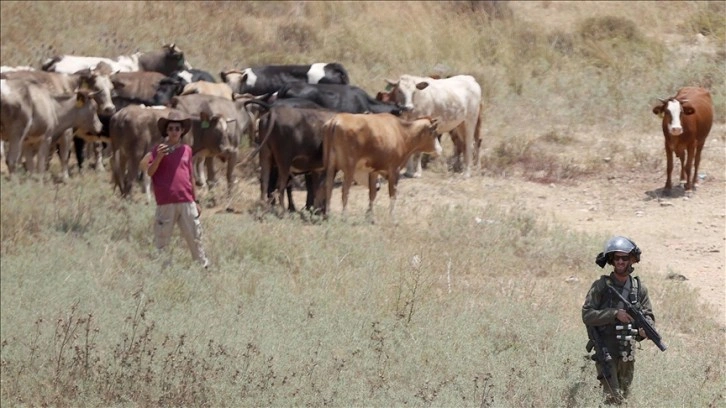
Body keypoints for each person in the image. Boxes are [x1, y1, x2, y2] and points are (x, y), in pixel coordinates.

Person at [582, 236, 655, 405]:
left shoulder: (639, 289)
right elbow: (587, 314)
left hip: (627, 353)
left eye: (625, 258)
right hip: (605, 350)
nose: (621, 261)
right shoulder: (601, 286)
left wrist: (646, 330)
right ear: (612, 260)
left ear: (632, 260)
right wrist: (614, 313)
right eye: (617, 258)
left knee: (623, 398)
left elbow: (648, 316)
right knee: (611, 398)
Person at [140, 110, 210, 269]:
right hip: (166, 202)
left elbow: (191, 176)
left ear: (182, 131)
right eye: (171, 128)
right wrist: (158, 157)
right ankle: (163, 271)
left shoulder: (187, 150)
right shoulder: (158, 149)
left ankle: (202, 268)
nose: (174, 132)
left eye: (177, 129)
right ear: (166, 130)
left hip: (186, 201)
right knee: (162, 240)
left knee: (195, 237)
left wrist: (196, 200)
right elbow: (150, 172)